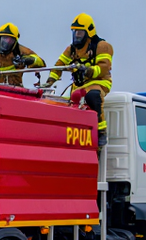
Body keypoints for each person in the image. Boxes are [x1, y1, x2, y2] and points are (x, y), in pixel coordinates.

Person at [45, 14, 113, 147]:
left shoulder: (102, 46)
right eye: (75, 32)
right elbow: (59, 65)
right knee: (60, 105)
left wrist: (87, 70)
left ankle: (101, 131)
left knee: (93, 97)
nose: (76, 35)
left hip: (98, 83)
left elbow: (104, 68)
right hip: (78, 86)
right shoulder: (71, 49)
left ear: (89, 32)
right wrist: (50, 81)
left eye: (80, 32)